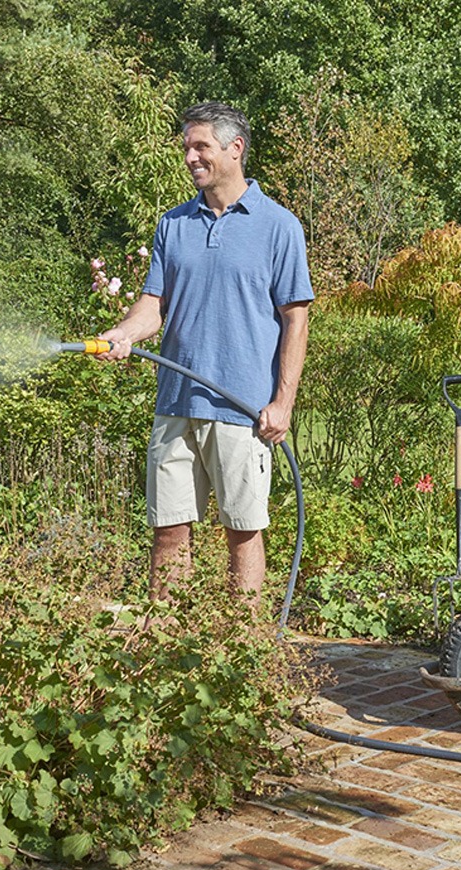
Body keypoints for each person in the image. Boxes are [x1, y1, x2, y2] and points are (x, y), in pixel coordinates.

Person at [100, 101, 313, 603]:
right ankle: (167, 646)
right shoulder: (173, 225)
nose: (191, 157)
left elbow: (296, 321)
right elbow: (153, 306)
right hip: (175, 404)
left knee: (242, 531)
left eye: (201, 146)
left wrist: (282, 403)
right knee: (169, 532)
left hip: (241, 409)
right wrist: (126, 332)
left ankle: (242, 648)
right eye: (187, 147)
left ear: (234, 149)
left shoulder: (278, 226)